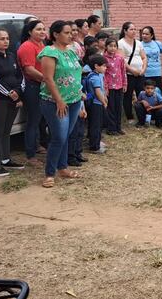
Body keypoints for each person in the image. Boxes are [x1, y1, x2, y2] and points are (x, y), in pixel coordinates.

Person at [38, 20, 84, 188]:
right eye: (66, 32)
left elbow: (76, 74)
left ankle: (63, 168)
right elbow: (48, 79)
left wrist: (80, 93)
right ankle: (50, 173)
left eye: (71, 32)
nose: (70, 35)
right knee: (58, 137)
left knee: (66, 135)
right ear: (56, 34)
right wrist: (59, 100)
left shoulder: (71, 51)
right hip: (55, 101)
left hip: (74, 100)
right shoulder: (50, 52)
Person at [0, 26, 24, 177]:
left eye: (7, 38)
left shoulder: (11, 55)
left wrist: (19, 92)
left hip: (14, 98)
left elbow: (20, 75)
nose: (5, 41)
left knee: (7, 130)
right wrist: (8, 93)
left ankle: (6, 159)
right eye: (1, 38)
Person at [18, 20, 48, 165]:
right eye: (38, 29)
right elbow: (29, 69)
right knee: (33, 121)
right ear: (30, 31)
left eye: (43, 29)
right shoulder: (27, 47)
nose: (42, 32)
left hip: (43, 86)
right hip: (33, 86)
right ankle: (30, 155)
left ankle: (38, 145)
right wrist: (46, 79)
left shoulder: (42, 45)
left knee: (42, 120)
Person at [119, 22, 147, 124]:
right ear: (125, 31)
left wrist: (143, 68)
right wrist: (132, 70)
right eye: (131, 29)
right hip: (128, 74)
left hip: (140, 74)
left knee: (142, 94)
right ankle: (129, 116)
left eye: (135, 29)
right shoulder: (121, 43)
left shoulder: (138, 43)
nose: (134, 31)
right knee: (128, 95)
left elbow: (144, 57)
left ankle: (142, 116)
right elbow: (122, 60)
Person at [85, 54, 108, 154]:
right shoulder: (95, 78)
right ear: (96, 66)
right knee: (96, 125)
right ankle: (94, 146)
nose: (105, 68)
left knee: (96, 124)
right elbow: (97, 91)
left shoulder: (93, 75)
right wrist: (103, 101)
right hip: (96, 104)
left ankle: (97, 142)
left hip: (94, 102)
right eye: (103, 66)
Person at [103, 38, 126, 135]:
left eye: (115, 46)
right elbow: (103, 74)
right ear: (106, 47)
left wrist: (125, 84)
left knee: (118, 107)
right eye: (110, 46)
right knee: (111, 108)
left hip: (119, 86)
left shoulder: (120, 58)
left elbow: (123, 72)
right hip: (110, 87)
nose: (113, 48)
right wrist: (105, 87)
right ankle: (111, 129)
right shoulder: (103, 58)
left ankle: (118, 127)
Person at [140, 26, 162, 93]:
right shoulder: (139, 45)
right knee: (146, 94)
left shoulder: (157, 44)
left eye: (147, 34)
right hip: (145, 74)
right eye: (143, 34)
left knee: (157, 94)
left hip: (157, 73)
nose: (144, 36)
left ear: (152, 35)